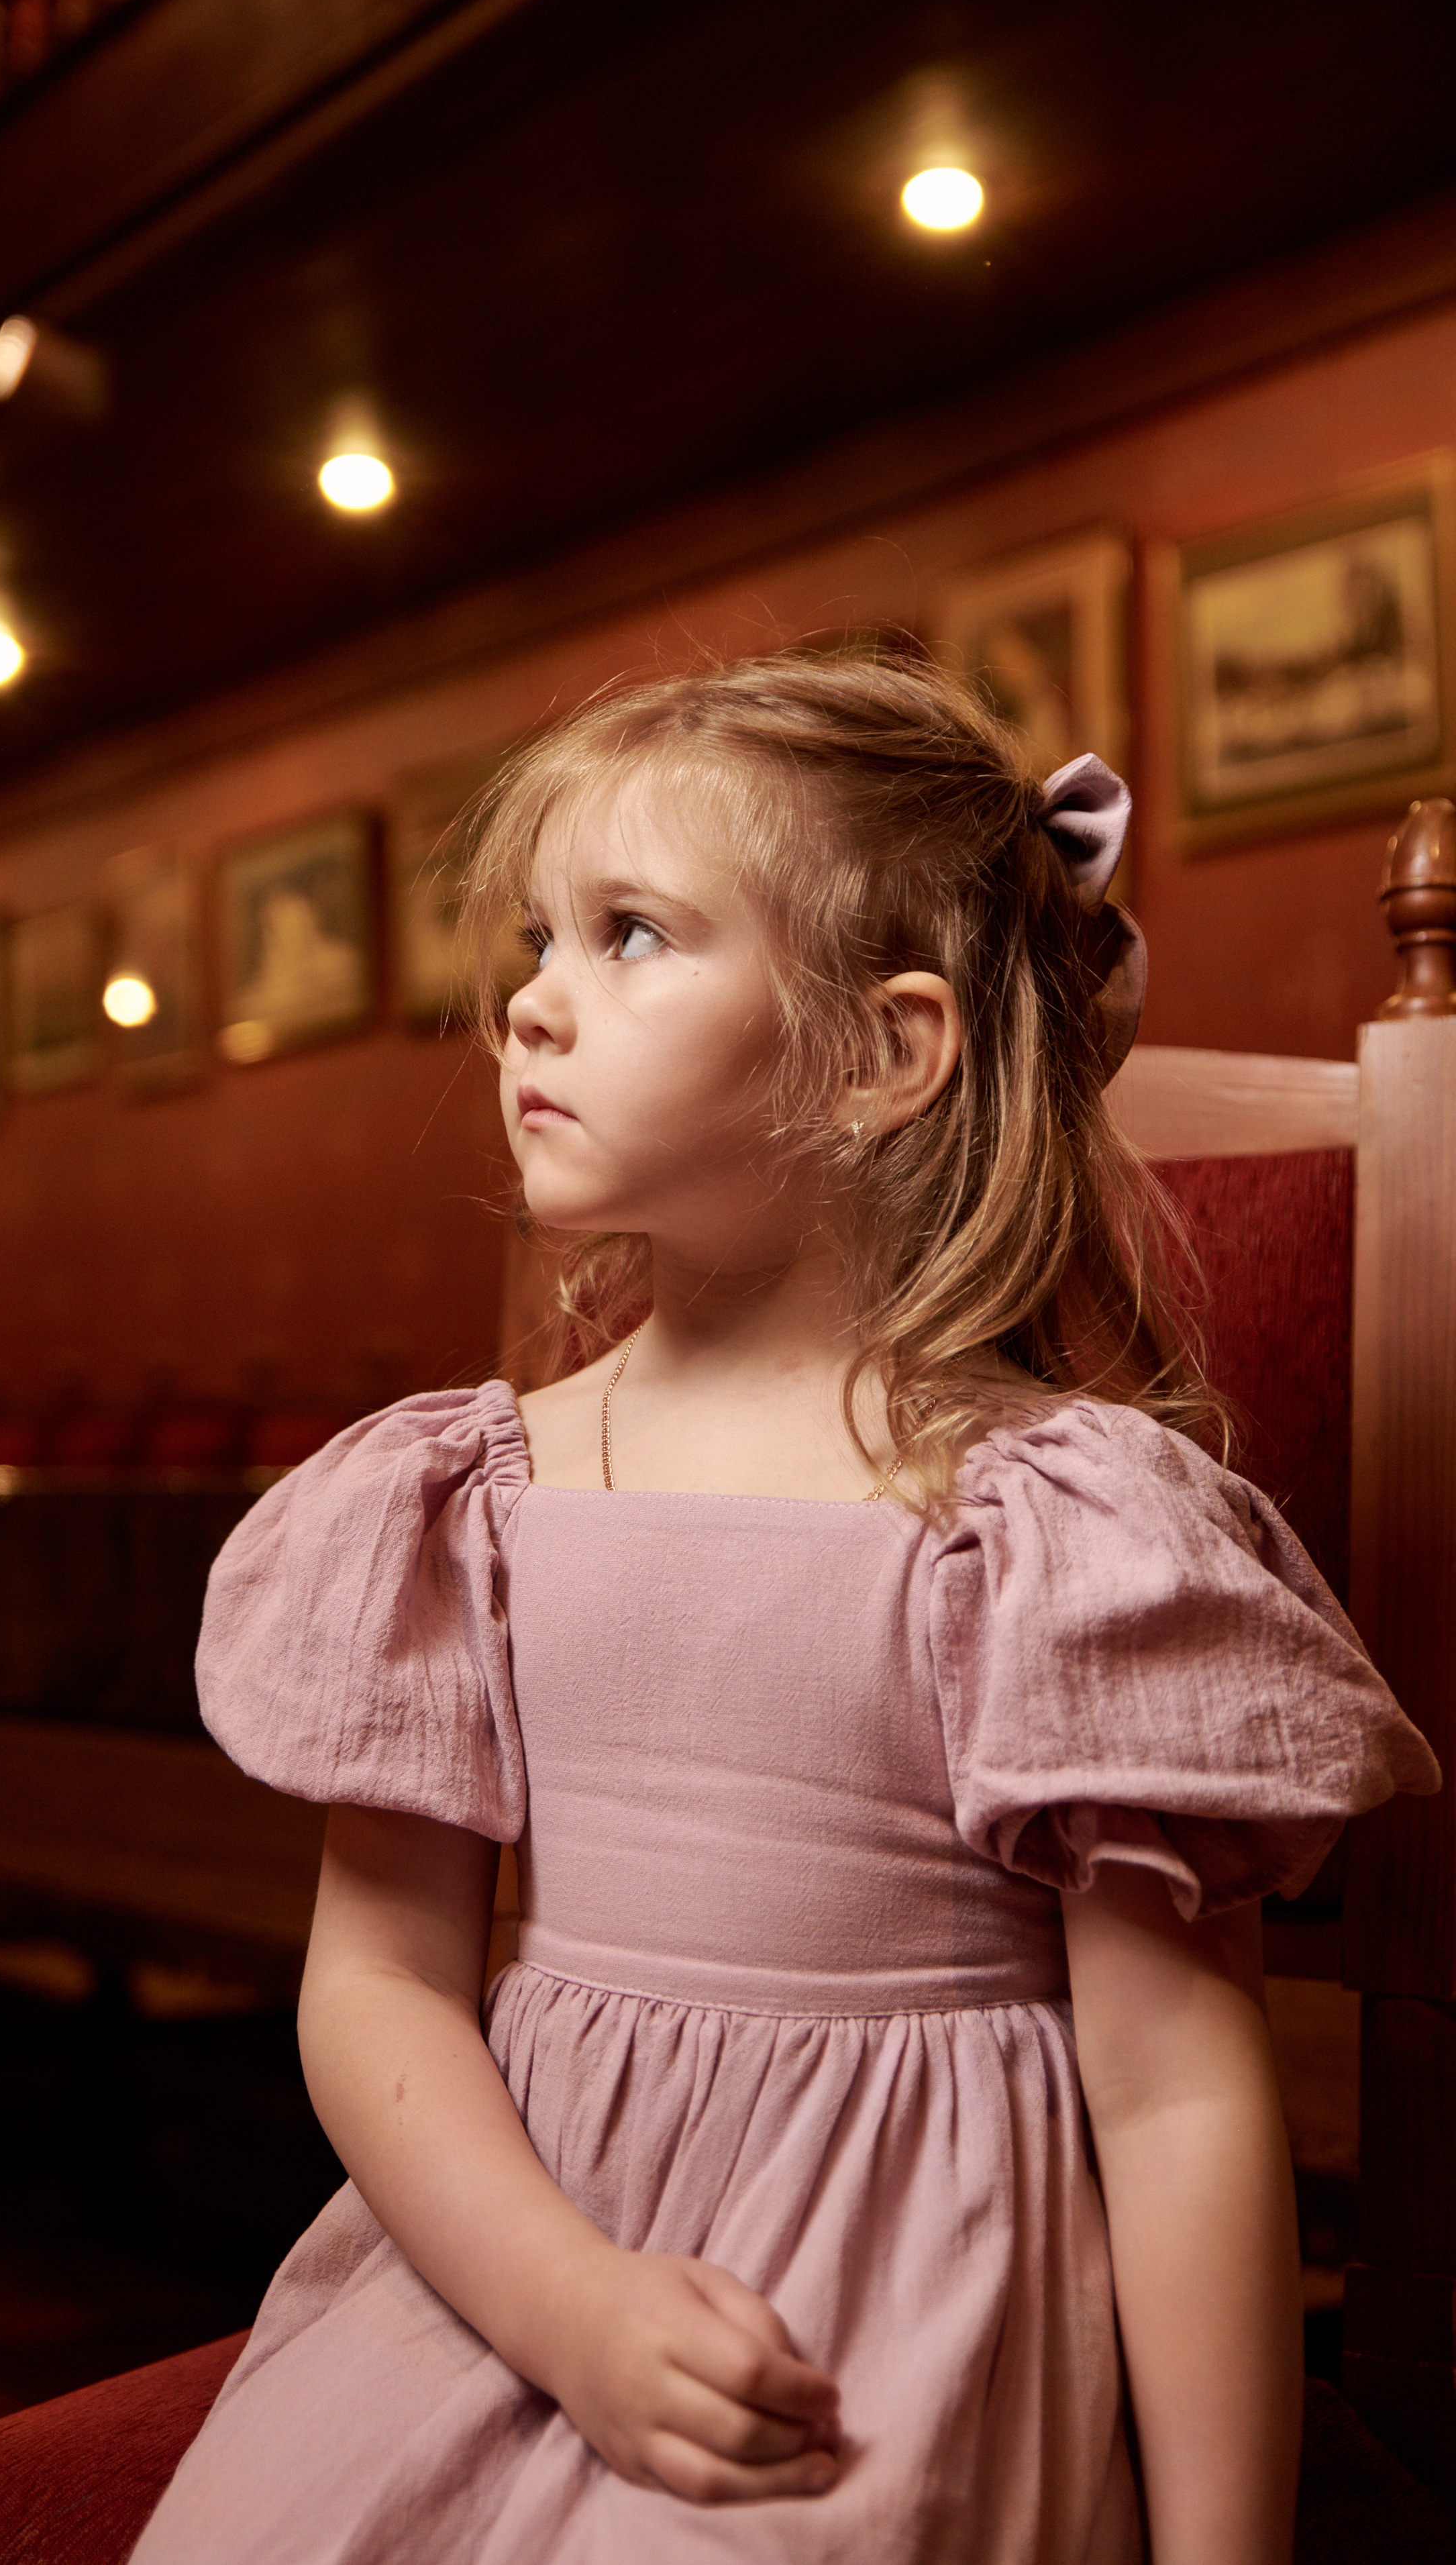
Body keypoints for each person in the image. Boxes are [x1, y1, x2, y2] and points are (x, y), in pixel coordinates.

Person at [131, 649, 1437, 2564]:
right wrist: (567, 2306)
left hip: (888, 2305)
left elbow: (1173, 2101)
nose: (529, 1003)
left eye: (633, 934)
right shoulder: (459, 1497)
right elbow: (383, 1981)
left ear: (885, 1052)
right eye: (537, 942)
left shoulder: (1051, 1529)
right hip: (513, 2271)